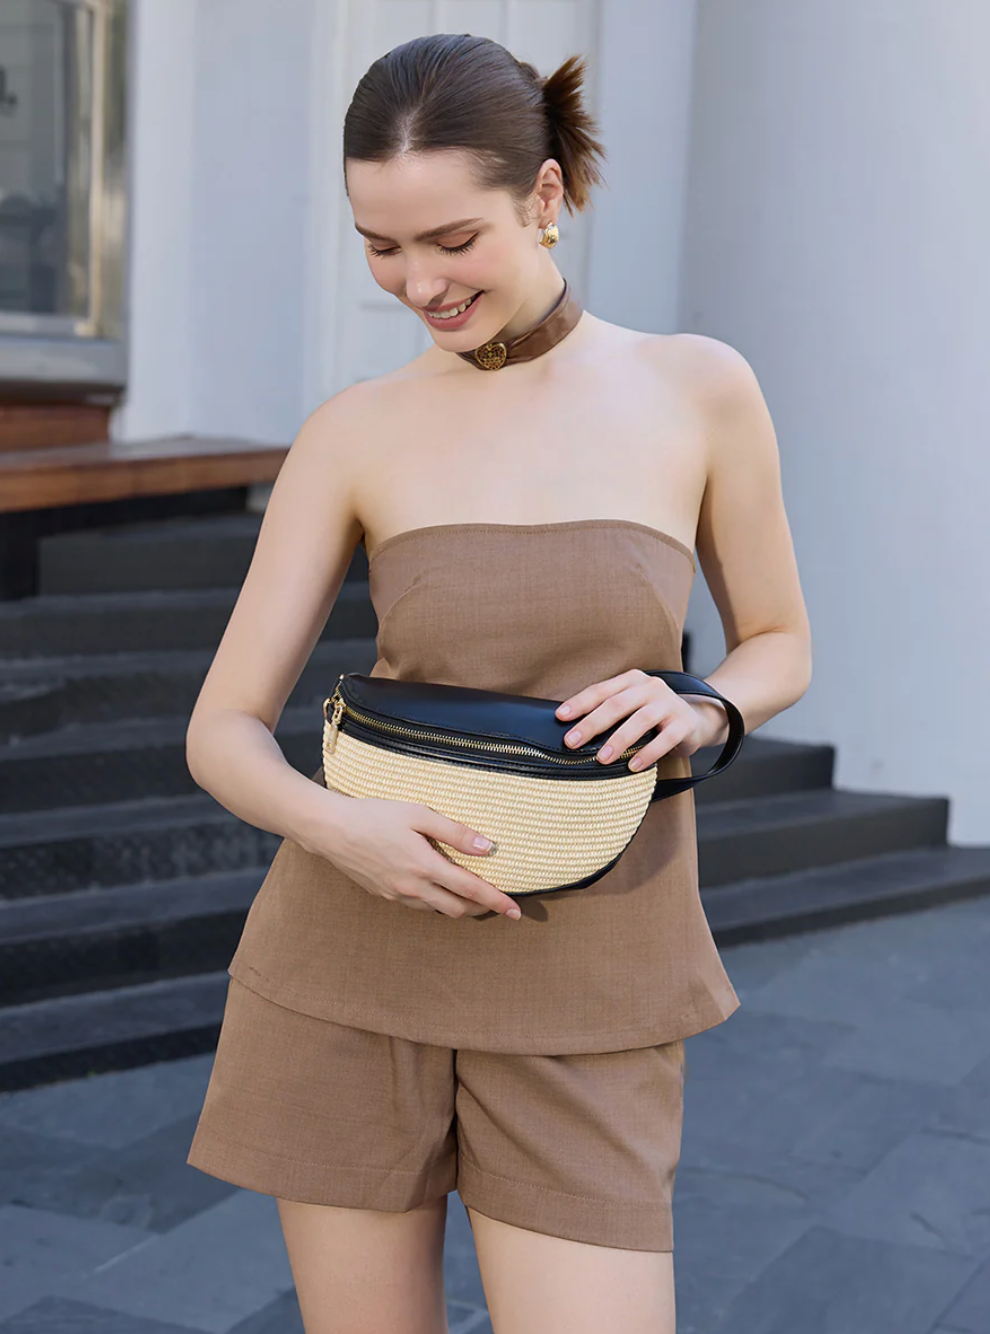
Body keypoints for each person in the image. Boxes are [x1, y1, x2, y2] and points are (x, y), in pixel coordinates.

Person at [185, 32, 813, 1334]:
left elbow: (777, 641)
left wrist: (707, 705)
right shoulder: (352, 429)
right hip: (349, 960)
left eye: (451, 239)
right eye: (380, 245)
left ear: (545, 195)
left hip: (595, 972)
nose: (416, 282)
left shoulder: (695, 388)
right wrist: (340, 829)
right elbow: (222, 727)